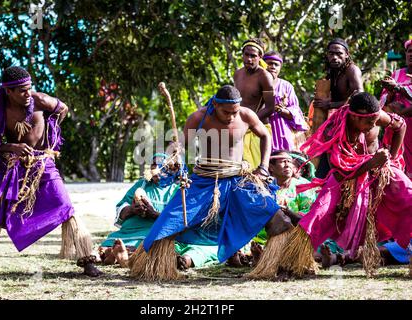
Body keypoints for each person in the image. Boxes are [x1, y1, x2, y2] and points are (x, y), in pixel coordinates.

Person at [128, 85, 294, 281]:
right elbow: (180, 146)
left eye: (235, 111)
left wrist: (264, 167)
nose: (232, 116)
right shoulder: (199, 118)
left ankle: (282, 265)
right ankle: (152, 266)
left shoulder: (246, 115)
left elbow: (266, 135)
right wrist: (172, 159)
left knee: (277, 218)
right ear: (215, 104)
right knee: (170, 220)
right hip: (205, 181)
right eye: (227, 112)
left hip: (239, 180)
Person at [0, 66, 100, 277]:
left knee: (64, 206)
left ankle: (87, 259)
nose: (28, 94)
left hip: (42, 163)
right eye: (22, 91)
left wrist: (51, 129)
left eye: (29, 88)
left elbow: (63, 109)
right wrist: (11, 147)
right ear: (9, 91)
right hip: (9, 165)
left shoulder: (41, 100)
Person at [267, 92, 411, 279]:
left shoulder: (375, 116)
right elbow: (339, 170)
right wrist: (371, 164)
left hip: (380, 170)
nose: (373, 126)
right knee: (318, 214)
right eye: (368, 122)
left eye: (376, 120)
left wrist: (390, 158)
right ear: (355, 116)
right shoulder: (334, 129)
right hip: (346, 176)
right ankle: (290, 263)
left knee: (409, 197)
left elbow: (400, 124)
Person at [99, 153, 218, 270]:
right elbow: (121, 208)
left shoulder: (177, 190)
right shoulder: (142, 185)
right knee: (114, 240)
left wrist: (153, 214)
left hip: (154, 233)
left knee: (154, 243)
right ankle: (110, 254)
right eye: (153, 165)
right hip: (131, 231)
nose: (155, 169)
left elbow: (178, 221)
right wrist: (132, 209)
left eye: (159, 166)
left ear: (170, 170)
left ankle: (123, 256)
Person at [314, 38, 364, 178]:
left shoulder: (352, 70)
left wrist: (329, 105)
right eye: (331, 53)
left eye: (339, 53)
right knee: (326, 160)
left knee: (344, 162)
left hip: (351, 123)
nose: (334, 57)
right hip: (337, 122)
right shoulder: (333, 71)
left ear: (347, 54)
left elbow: (358, 95)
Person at [234, 38, 276, 169]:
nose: (249, 59)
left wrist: (250, 122)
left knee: (254, 172)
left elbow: (270, 107)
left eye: (253, 56)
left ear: (260, 57)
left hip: (258, 131)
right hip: (239, 128)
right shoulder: (238, 74)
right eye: (246, 55)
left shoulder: (264, 76)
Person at [263, 51, 309, 151]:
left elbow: (295, 111)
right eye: (269, 63)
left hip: (281, 132)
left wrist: (279, 109)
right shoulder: (255, 84)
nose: (272, 67)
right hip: (261, 128)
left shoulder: (286, 86)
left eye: (276, 64)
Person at [380, 39, 412, 179]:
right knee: (394, 163)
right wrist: (391, 93)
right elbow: (383, 100)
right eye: (409, 51)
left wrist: (398, 87)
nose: (411, 55)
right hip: (395, 128)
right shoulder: (397, 74)